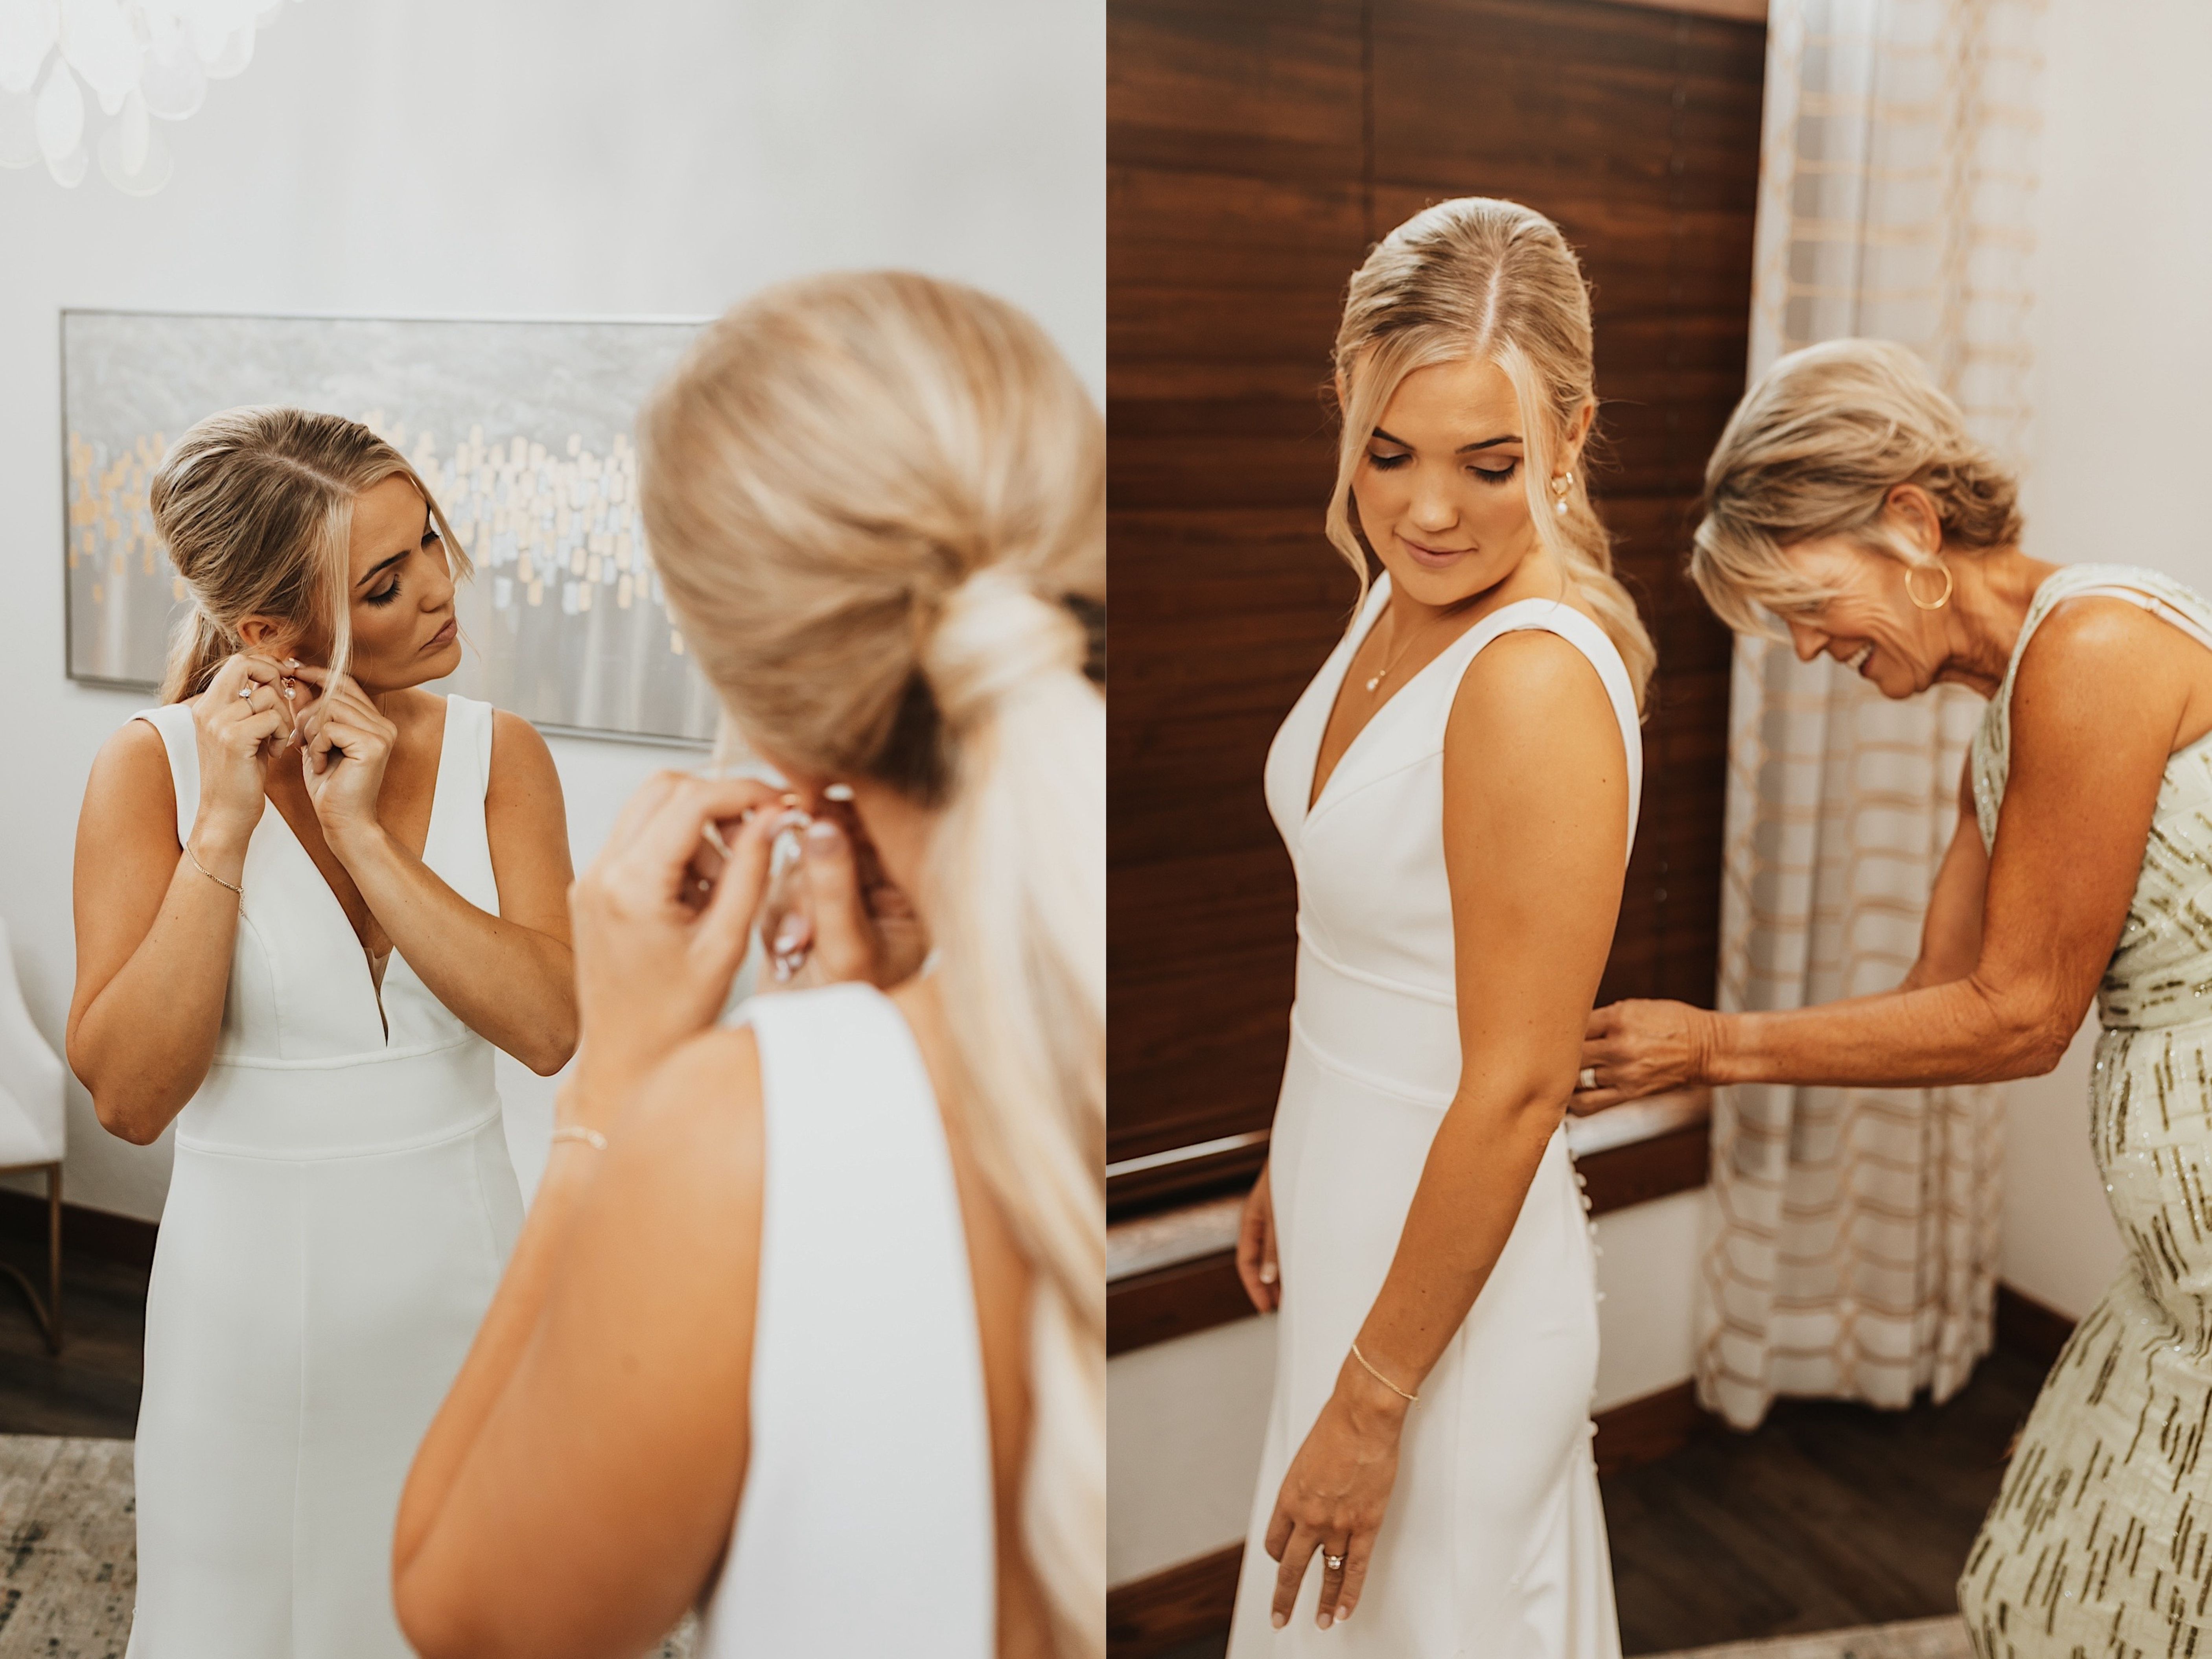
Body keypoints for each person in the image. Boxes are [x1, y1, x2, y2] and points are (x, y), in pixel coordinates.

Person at [390, 271, 1105, 1659]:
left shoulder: (735, 1140)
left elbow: (465, 1614)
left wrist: (619, 1087)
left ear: (761, 693)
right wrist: (849, 1041)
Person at [1574, 335, 2212, 1655]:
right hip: (2180, 1277)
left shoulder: (2094, 644)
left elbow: (2023, 1016)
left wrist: (1713, 1048)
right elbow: (1943, 997)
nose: (1804, 648)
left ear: (1911, 523)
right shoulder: (2009, 713)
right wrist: (1699, 1039)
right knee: (2061, 1571)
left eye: (1803, 601)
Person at [66, 407, 578, 1657]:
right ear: (264, 634)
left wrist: (363, 835)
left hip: (461, 1286)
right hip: (250, 1319)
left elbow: (549, 1023)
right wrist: (229, 829)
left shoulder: (503, 756)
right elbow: (131, 1096)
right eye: (388, 582)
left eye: (434, 545)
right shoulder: (151, 775)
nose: (443, 591)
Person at [1226, 196, 1648, 1655]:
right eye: (1385, 453)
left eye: (1490, 465)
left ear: (1570, 437)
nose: (1423, 510)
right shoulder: (1396, 594)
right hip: (1354, 1205)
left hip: (1442, 1311)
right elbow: (1356, 938)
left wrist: (1369, 1403)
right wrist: (1298, 1140)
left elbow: (1519, 1079)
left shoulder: (1529, 678)